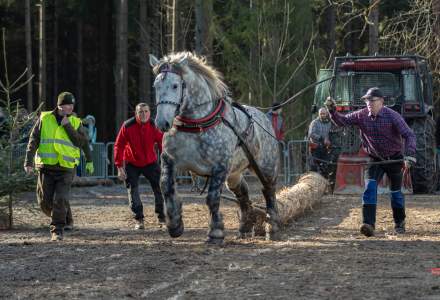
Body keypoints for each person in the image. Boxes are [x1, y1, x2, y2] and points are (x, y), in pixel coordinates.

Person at [325, 87, 416, 237]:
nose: (369, 103)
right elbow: (342, 121)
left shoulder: (393, 116)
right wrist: (332, 110)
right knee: (370, 189)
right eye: (367, 100)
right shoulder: (361, 115)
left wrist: (410, 154)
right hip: (375, 159)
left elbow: (409, 135)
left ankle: (399, 223)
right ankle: (368, 224)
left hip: (394, 158)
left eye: (372, 100)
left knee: (395, 193)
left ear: (381, 101)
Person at [24, 91, 94, 241]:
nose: (70, 108)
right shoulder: (45, 118)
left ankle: (57, 230)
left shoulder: (75, 122)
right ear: (59, 106)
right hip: (46, 166)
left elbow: (82, 142)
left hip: (66, 167)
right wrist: (28, 162)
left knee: (60, 198)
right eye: (67, 105)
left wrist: (89, 160)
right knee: (45, 202)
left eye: (72, 105)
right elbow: (33, 140)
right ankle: (66, 218)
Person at [114, 103, 165, 230]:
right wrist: (119, 166)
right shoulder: (127, 125)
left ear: (149, 112)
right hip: (132, 163)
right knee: (133, 191)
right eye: (140, 112)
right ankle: (139, 219)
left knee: (159, 188)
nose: (143, 114)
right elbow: (118, 145)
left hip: (150, 162)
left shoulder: (154, 125)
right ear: (136, 113)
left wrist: (166, 161)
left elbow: (161, 143)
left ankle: (162, 217)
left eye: (146, 111)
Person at [307, 107, 336, 190]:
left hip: (325, 148)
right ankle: (313, 187)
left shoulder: (329, 123)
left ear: (327, 114)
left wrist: (330, 141)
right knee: (314, 168)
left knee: (325, 168)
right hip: (315, 148)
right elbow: (311, 134)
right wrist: (322, 139)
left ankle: (324, 188)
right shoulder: (314, 123)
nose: (322, 115)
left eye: (324, 113)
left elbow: (331, 134)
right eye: (321, 114)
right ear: (318, 114)